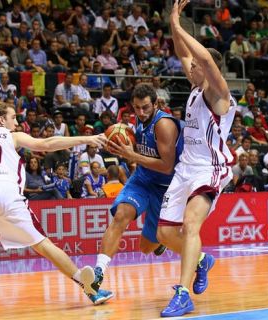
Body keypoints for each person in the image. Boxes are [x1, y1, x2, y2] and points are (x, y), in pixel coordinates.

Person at [0, 102, 112, 308]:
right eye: (13, 118)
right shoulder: (13, 136)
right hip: (7, 192)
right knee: (43, 244)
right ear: (2, 119)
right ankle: (89, 288)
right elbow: (47, 144)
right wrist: (86, 138)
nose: (16, 122)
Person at [154, 1, 238, 317]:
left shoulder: (219, 94)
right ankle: (202, 260)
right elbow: (184, 53)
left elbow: (201, 55)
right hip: (185, 168)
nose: (190, 66)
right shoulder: (195, 85)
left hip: (210, 169)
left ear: (210, 69)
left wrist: (178, 27)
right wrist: (173, 19)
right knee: (163, 233)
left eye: (197, 66)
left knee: (191, 225)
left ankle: (182, 293)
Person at [83, 83, 183, 303]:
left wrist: (132, 155)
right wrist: (117, 142)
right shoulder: (138, 119)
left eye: (145, 107)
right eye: (136, 108)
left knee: (146, 248)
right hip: (142, 178)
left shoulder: (164, 125)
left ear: (156, 104)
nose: (140, 112)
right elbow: (136, 147)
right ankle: (98, 273)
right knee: (120, 216)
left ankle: (161, 240)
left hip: (165, 186)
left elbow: (167, 165)